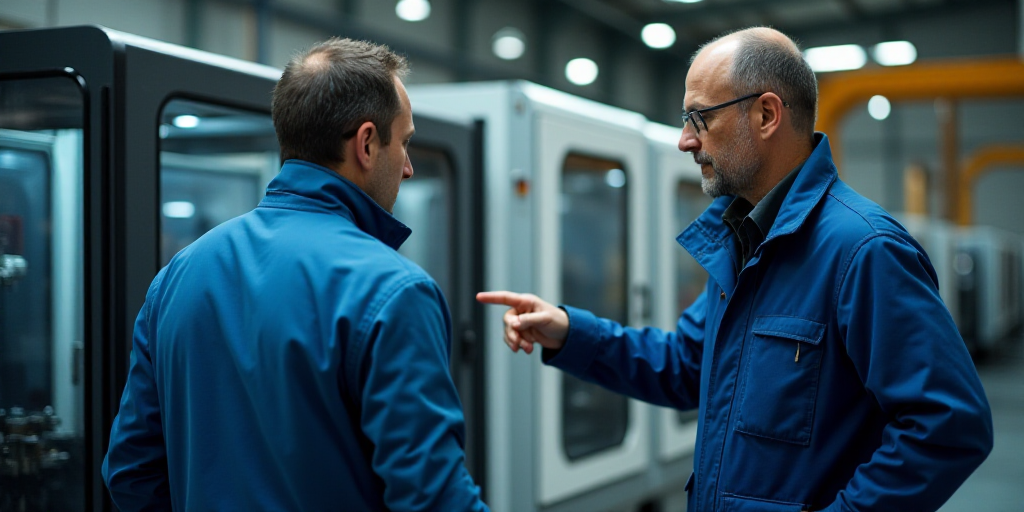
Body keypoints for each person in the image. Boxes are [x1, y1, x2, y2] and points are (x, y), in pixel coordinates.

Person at [478, 27, 992, 512]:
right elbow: (685, 366)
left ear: (767, 115)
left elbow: (947, 425)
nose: (685, 140)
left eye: (700, 118)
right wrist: (570, 333)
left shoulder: (863, 251)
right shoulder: (745, 240)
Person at [103, 38, 487, 512]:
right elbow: (435, 501)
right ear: (366, 143)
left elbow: (130, 472)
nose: (407, 168)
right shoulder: (393, 292)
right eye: (404, 142)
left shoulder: (179, 275)